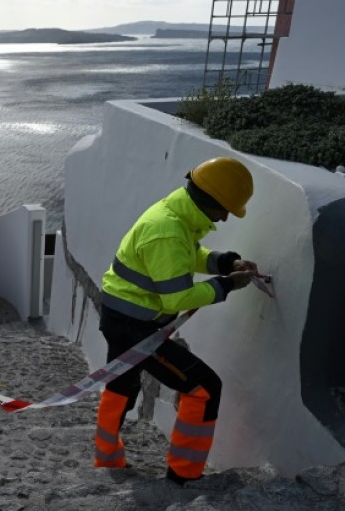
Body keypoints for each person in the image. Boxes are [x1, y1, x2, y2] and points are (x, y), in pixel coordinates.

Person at [93, 157, 257, 485]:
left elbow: (185, 256)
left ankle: (107, 457)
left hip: (121, 315)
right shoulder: (167, 231)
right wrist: (227, 285)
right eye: (224, 210)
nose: (225, 218)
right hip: (135, 327)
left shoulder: (176, 213)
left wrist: (224, 263)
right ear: (209, 200)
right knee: (205, 389)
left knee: (122, 384)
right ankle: (183, 477)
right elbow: (177, 299)